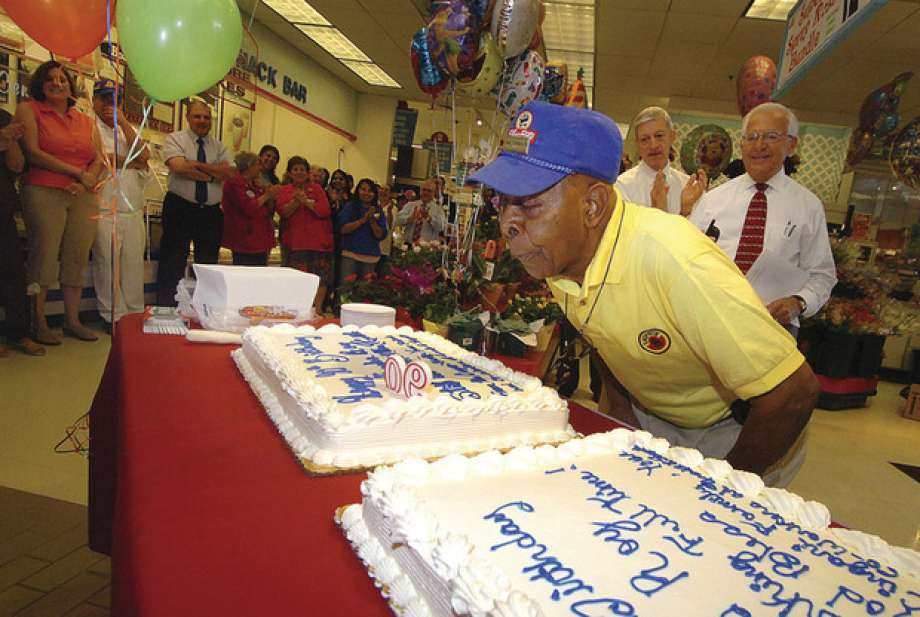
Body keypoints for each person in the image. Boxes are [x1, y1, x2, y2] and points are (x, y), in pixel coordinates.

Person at [469, 101, 820, 486]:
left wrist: (723, 490)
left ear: (593, 206)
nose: (508, 225)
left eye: (529, 205)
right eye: (503, 203)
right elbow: (598, 328)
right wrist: (621, 410)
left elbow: (793, 393)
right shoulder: (560, 260)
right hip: (656, 416)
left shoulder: (673, 258)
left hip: (736, 431)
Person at [689, 102, 837, 336]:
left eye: (771, 136)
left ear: (791, 145)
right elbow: (686, 258)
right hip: (711, 320)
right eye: (752, 136)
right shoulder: (712, 200)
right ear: (741, 144)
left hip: (774, 327)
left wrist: (799, 302)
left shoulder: (808, 207)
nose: (759, 145)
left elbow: (823, 274)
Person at [16, 60, 105, 344]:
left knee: (76, 258)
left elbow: (99, 158)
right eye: (50, 79)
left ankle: (73, 320)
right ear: (40, 85)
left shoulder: (86, 119)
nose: (57, 83)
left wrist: (86, 179)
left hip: (84, 195)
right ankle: (38, 321)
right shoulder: (28, 109)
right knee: (44, 255)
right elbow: (32, 152)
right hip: (44, 190)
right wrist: (76, 172)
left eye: (63, 79)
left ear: (71, 86)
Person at [156, 99, 234, 306]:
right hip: (180, 207)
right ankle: (167, 308)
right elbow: (179, 167)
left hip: (210, 213)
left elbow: (229, 172)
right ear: (188, 117)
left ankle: (204, 309)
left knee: (208, 267)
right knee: (172, 262)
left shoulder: (219, 146)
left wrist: (197, 165)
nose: (202, 121)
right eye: (197, 116)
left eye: (206, 117)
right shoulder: (175, 139)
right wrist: (212, 173)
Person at [90, 78, 150, 330]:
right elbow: (105, 159)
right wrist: (131, 161)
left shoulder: (126, 129)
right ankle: (112, 317)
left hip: (133, 210)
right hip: (104, 210)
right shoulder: (89, 126)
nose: (108, 103)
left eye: (114, 99)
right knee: (107, 266)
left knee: (133, 266)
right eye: (104, 98)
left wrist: (123, 121)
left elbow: (144, 157)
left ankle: (135, 315)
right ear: (94, 100)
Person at [0, 109, 44, 356]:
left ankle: (19, 333)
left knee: (14, 271)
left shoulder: (5, 117)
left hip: (3, 206)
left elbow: (16, 165)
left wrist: (11, 140)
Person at [615, 106, 707, 216]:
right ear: (637, 144)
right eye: (645, 139)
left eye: (659, 136)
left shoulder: (690, 188)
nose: (653, 145)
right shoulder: (622, 187)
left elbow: (698, 232)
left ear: (672, 136)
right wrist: (657, 210)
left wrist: (685, 211)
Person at [277, 156, 333, 312]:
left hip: (319, 242)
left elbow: (324, 211)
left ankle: (318, 308)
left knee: (320, 277)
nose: (299, 172)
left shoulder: (317, 189)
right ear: (289, 173)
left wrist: (306, 202)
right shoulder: (285, 190)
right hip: (295, 243)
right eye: (295, 169)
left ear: (308, 173)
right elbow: (283, 212)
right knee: (297, 278)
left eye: (302, 169)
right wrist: (296, 201)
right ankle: (298, 308)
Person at [221, 151, 280, 266]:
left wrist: (267, 190)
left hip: (261, 239)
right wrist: (267, 195)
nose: (260, 167)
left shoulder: (255, 184)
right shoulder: (234, 183)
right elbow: (249, 208)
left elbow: (268, 207)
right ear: (249, 166)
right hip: (244, 240)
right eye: (258, 164)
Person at [337, 178, 387, 287]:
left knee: (364, 292)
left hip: (370, 257)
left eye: (370, 190)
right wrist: (362, 221)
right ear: (357, 191)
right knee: (345, 289)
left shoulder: (378, 210)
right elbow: (342, 229)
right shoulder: (350, 207)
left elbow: (380, 235)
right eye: (363, 189)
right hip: (350, 255)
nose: (366, 193)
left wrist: (372, 221)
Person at [396, 179, 446, 243]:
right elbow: (397, 220)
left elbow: (441, 227)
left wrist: (429, 218)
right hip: (408, 246)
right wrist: (410, 218)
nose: (425, 193)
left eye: (429, 191)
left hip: (426, 249)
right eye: (424, 190)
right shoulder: (410, 205)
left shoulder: (438, 210)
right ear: (420, 191)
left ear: (434, 193)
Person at [376, 184, 398, 274]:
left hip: (383, 246)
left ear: (390, 194)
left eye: (386, 190)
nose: (383, 191)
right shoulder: (374, 204)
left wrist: (389, 212)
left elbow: (390, 226)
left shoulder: (393, 208)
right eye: (382, 189)